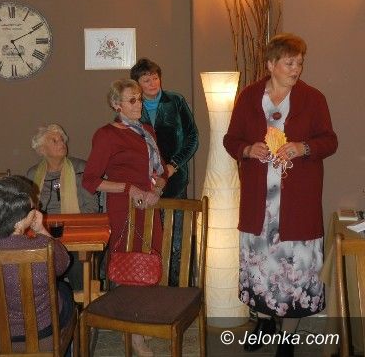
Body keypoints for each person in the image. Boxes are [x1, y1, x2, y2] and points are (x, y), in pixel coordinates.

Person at [223, 33, 338, 357]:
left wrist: (304, 147)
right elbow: (231, 139)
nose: (296, 68)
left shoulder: (313, 98)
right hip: (259, 207)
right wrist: (248, 149)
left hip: (297, 207)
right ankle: (263, 324)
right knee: (261, 270)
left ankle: (287, 337)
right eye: (289, 63)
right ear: (271, 64)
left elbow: (330, 140)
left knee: (293, 277)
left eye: (299, 63)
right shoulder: (248, 97)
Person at [83, 78, 167, 357]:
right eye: (132, 100)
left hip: (149, 206)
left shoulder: (146, 131)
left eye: (140, 99)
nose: (139, 104)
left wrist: (157, 189)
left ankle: (139, 323)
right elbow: (91, 181)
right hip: (124, 208)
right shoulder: (106, 134)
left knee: (150, 264)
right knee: (129, 269)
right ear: (115, 104)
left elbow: (160, 172)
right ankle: (134, 335)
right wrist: (130, 189)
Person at [0, 175, 75, 354]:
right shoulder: (42, 246)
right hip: (40, 339)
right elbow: (63, 263)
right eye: (33, 208)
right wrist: (41, 230)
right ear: (20, 220)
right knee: (65, 291)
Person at [130, 57, 198, 285]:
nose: (152, 83)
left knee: (177, 236)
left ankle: (178, 287)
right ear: (137, 84)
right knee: (149, 237)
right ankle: (150, 285)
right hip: (145, 182)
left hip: (175, 180)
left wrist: (173, 166)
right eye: (146, 80)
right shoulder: (132, 105)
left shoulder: (175, 101)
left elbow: (192, 137)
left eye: (155, 78)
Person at [27, 123, 99, 291]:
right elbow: (30, 210)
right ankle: (45, 299)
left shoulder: (82, 169)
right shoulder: (32, 174)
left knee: (76, 261)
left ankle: (80, 302)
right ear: (42, 150)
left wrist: (72, 229)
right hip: (44, 233)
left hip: (77, 233)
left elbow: (92, 207)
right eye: (54, 140)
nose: (62, 143)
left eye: (62, 139)